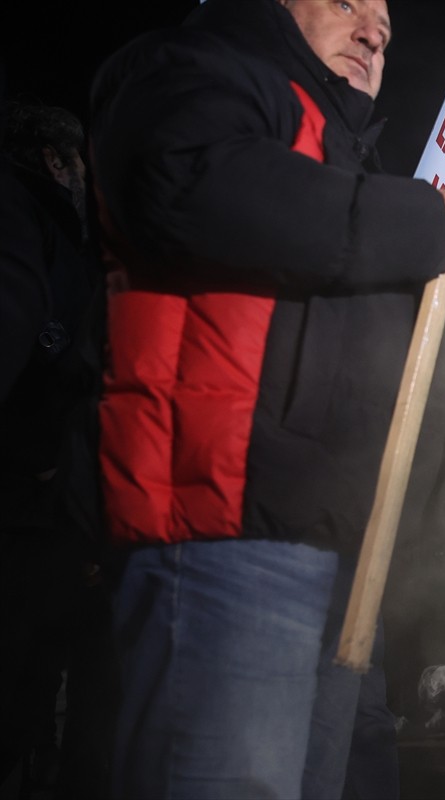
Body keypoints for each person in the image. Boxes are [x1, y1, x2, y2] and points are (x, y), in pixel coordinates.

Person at [86, 0, 445, 797]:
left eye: (384, 18)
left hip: (330, 543)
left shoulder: (341, 156)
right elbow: (192, 183)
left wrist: (439, 265)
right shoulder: (198, 69)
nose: (374, 30)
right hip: (227, 535)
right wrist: (421, 223)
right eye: (346, 1)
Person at [1, 93, 112, 798]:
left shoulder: (65, 239)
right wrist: (37, 452)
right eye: (81, 166)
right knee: (18, 681)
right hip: (27, 503)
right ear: (55, 160)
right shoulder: (22, 218)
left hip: (46, 503)